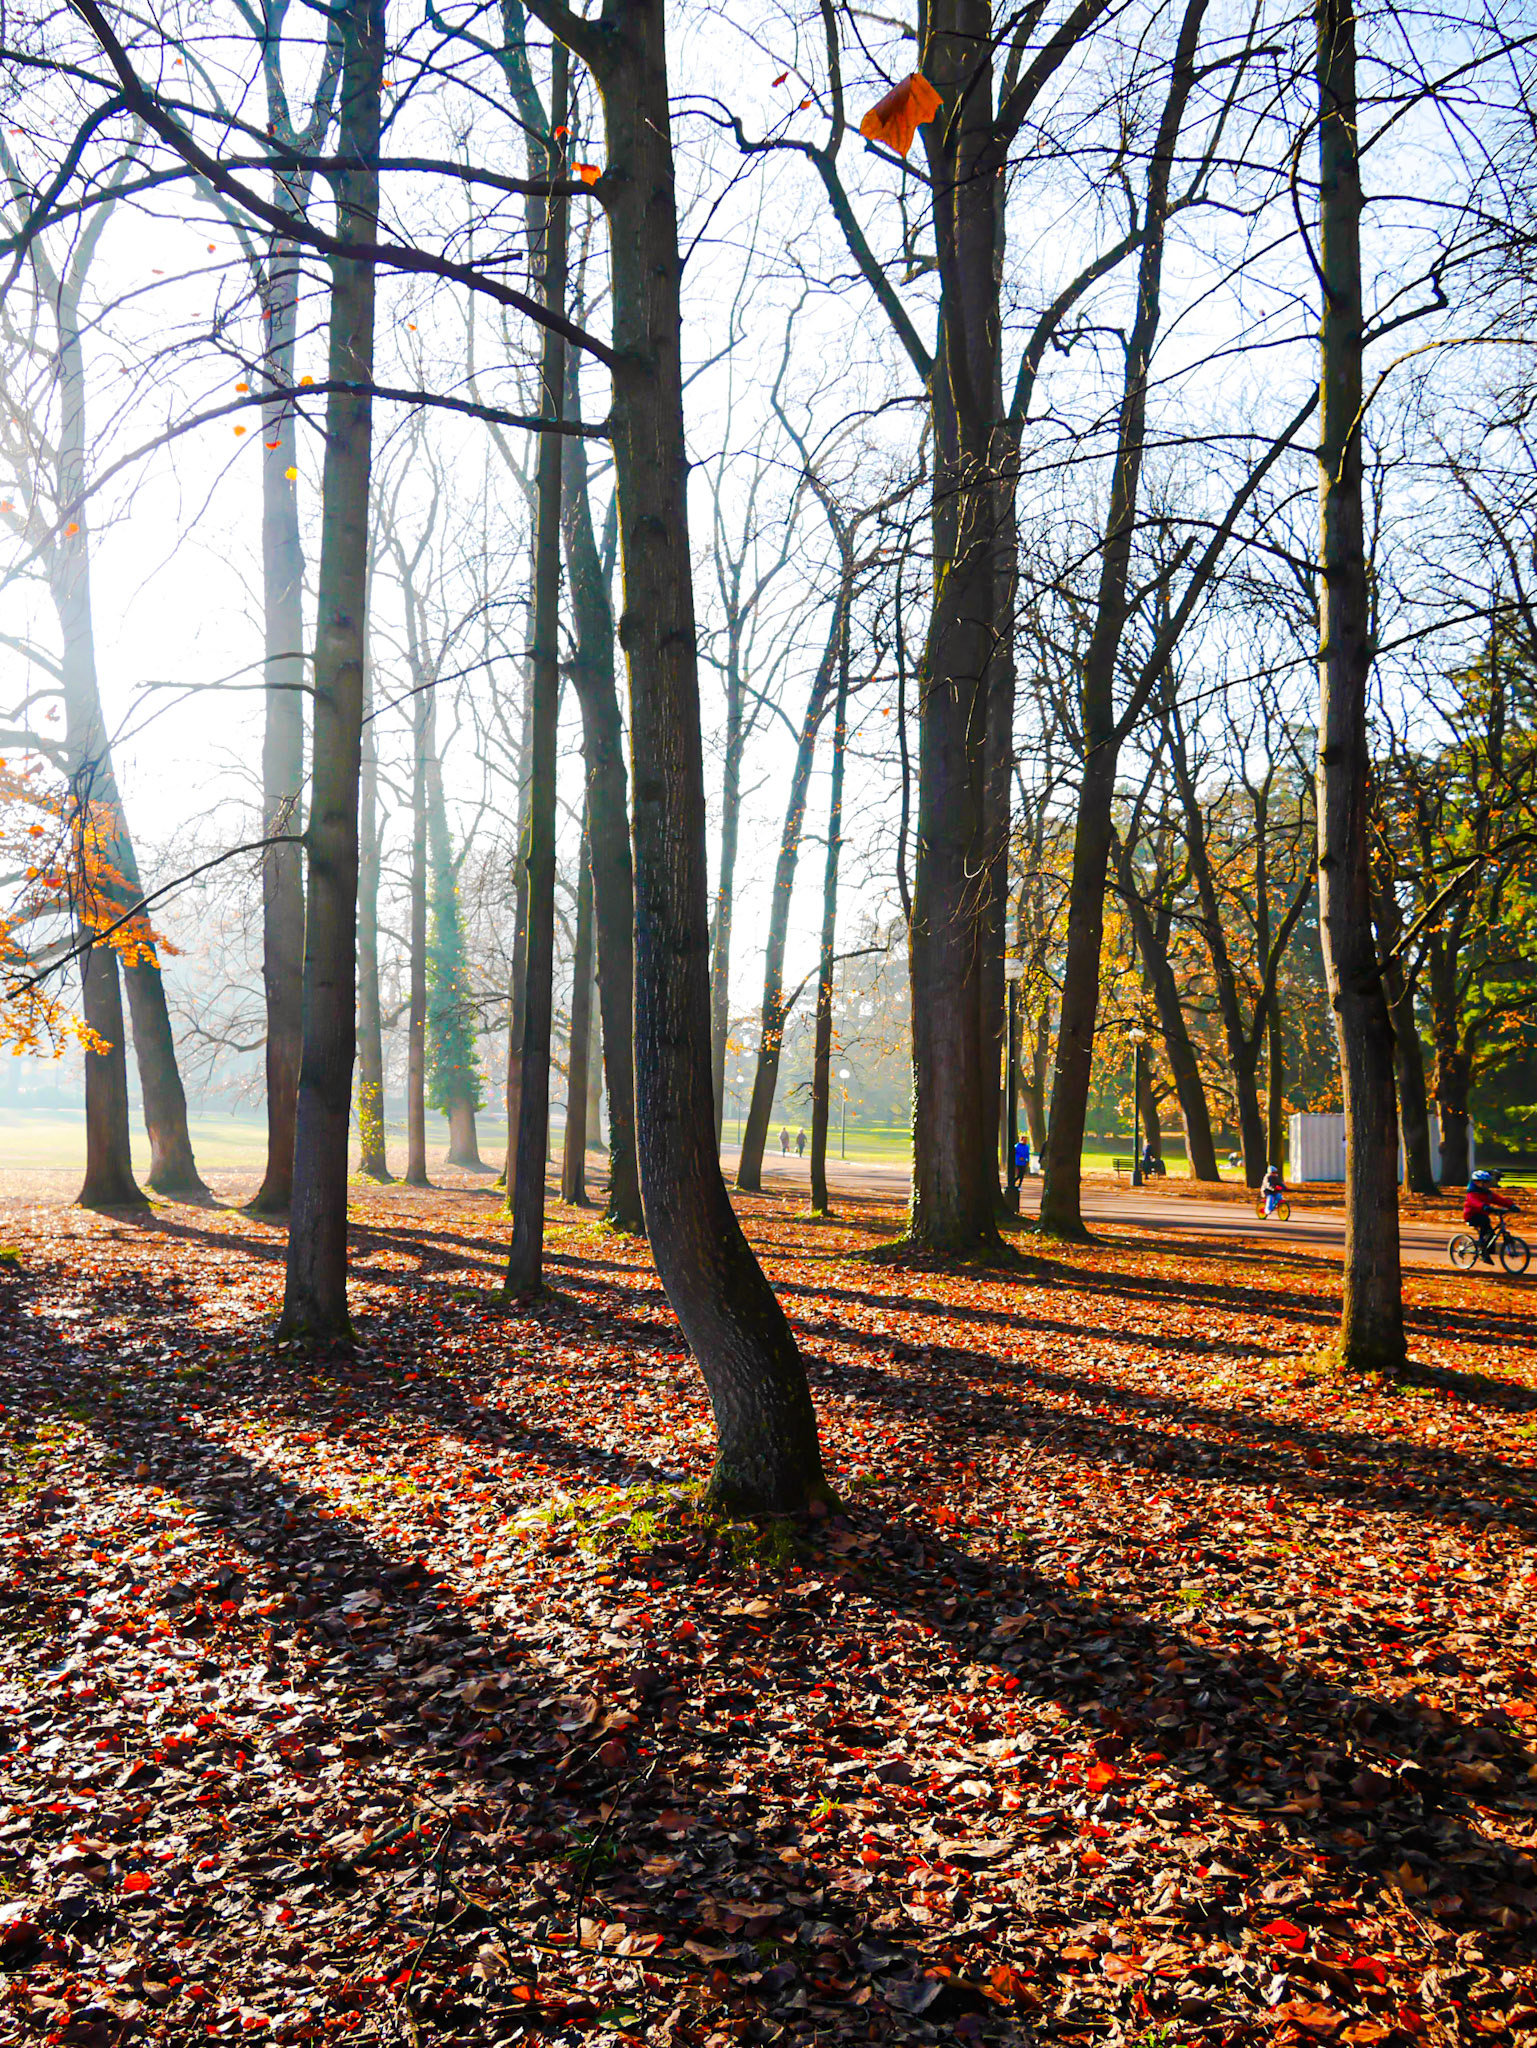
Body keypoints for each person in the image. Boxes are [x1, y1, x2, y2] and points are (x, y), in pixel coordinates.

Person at [1465, 1170, 1516, 1262]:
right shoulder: (1472, 1194)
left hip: (1483, 1215)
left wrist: (1511, 1205)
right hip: (1472, 1216)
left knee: (1491, 1233)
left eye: (1488, 1183)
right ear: (1478, 1183)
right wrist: (1483, 1206)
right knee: (1484, 1222)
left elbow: (1499, 1200)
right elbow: (1475, 1202)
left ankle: (1487, 1250)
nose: (1488, 1185)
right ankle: (1482, 1246)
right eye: (1485, 1183)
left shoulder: (1488, 1194)